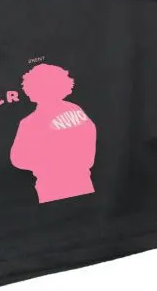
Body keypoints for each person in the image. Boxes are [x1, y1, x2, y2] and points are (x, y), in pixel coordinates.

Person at [10, 63, 96, 203]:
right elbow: (89, 140)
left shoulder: (31, 122)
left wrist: (44, 162)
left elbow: (18, 158)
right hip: (82, 181)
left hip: (52, 186)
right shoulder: (75, 110)